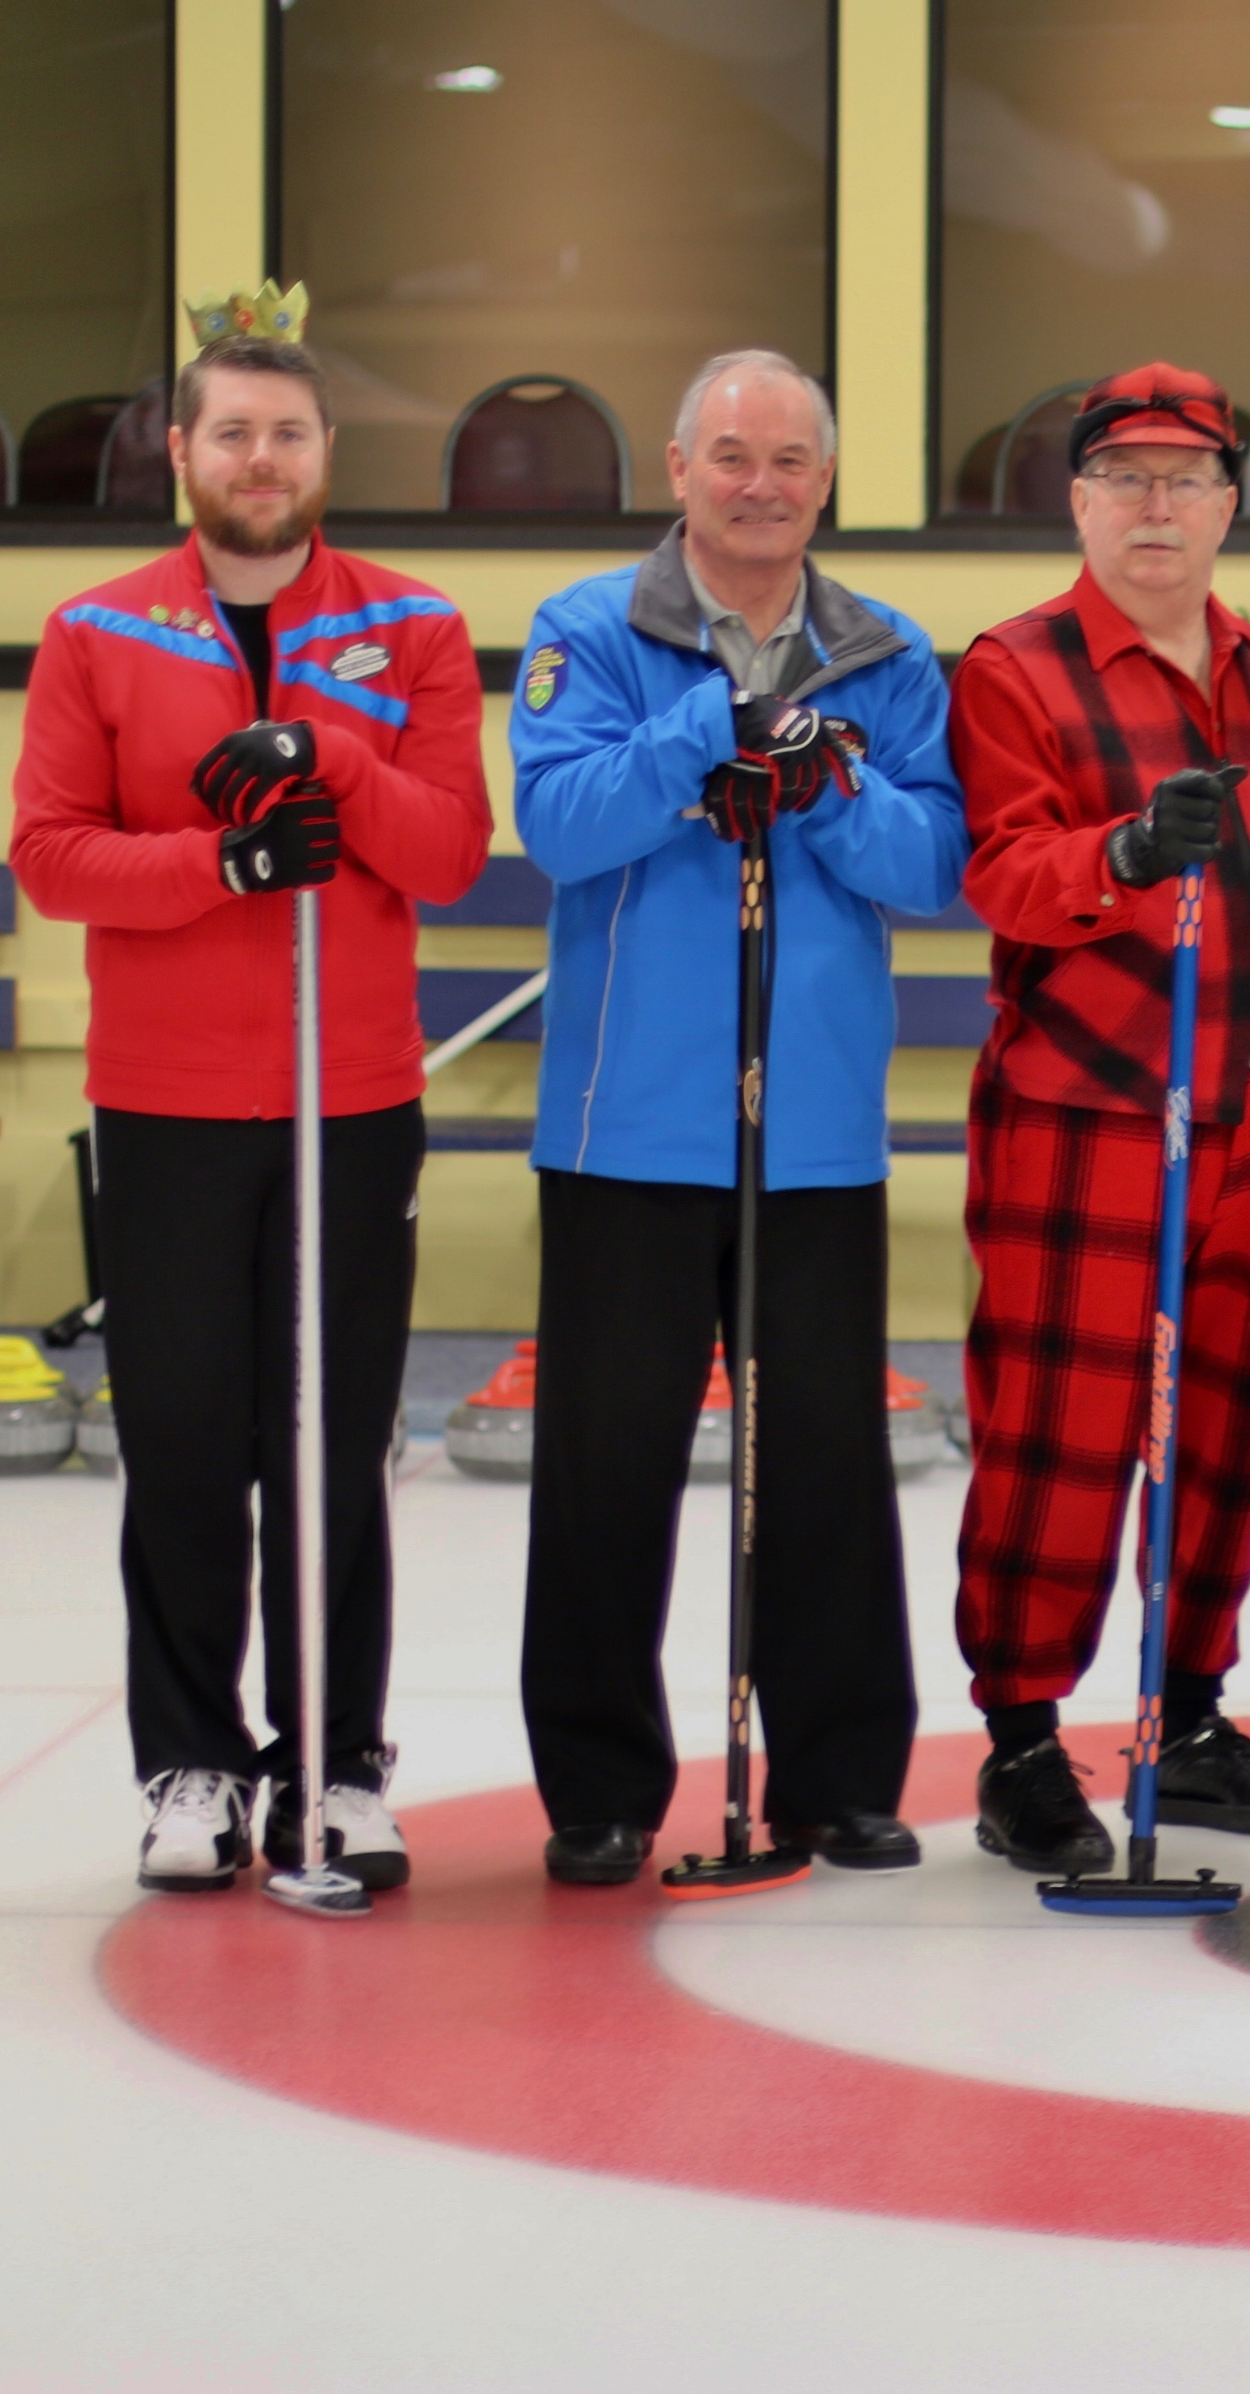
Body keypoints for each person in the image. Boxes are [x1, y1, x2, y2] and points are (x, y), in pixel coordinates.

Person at [9, 300, 489, 1892]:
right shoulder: (98, 632)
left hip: (350, 1100)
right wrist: (220, 863)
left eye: (288, 433)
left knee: (334, 1445)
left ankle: (335, 1764)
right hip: (165, 1103)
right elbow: (51, 854)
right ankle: (192, 1765)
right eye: (233, 433)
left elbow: (450, 850)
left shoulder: (411, 627)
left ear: (326, 451)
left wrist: (334, 765)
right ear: (181, 452)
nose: (262, 459)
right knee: (183, 1443)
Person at [508, 351, 968, 1885]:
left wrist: (830, 786)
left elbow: (935, 863)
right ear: (678, 468)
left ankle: (837, 1782)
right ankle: (598, 1790)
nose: (759, 485)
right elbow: (559, 827)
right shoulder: (590, 630)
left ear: (824, 482)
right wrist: (703, 733)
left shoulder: (885, 652)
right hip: (625, 1130)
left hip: (815, 1128)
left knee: (826, 1460)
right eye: (730, 456)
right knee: (606, 1464)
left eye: (787, 461)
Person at [949, 362, 1250, 1875]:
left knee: (1228, 1435)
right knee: (1058, 1431)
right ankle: (1023, 1742)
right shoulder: (1016, 669)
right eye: (1125, 477)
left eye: (1187, 478)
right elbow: (1001, 873)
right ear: (1079, 501)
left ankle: (1188, 1714)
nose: (1156, 505)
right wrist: (1118, 853)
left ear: (1230, 505)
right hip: (1091, 1116)